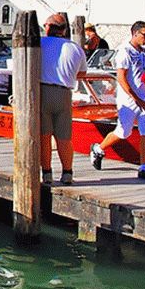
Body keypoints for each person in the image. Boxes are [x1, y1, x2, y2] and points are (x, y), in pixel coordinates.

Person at [90, 21, 145, 182]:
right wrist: (135, 98)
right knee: (123, 131)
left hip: (144, 97)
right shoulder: (124, 52)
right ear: (135, 33)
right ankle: (98, 148)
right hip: (129, 98)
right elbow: (121, 78)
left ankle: (144, 166)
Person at [40, 14, 87, 185]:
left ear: (48, 27)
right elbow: (81, 73)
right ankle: (67, 173)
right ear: (64, 29)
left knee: (44, 136)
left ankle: (47, 173)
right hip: (65, 93)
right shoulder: (76, 48)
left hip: (43, 91)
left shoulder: (39, 43)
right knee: (64, 136)